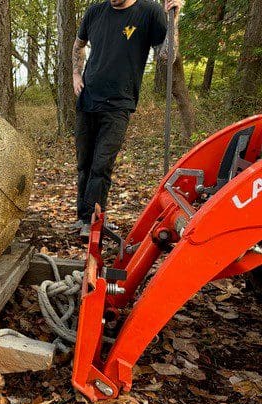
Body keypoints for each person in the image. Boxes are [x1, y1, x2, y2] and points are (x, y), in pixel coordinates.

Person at [72, 0, 182, 238]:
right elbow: (79, 44)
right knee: (85, 164)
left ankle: (94, 223)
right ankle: (83, 218)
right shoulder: (95, 12)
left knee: (101, 165)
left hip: (118, 104)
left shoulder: (149, 12)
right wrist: (75, 74)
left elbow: (167, 57)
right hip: (88, 99)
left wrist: (174, 20)